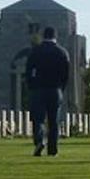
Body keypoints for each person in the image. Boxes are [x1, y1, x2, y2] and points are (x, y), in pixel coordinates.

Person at [25, 26, 70, 158]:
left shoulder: (35, 51)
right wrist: (61, 88)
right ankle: (53, 149)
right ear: (55, 36)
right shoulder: (62, 52)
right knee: (53, 121)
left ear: (44, 36)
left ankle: (39, 141)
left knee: (38, 119)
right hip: (55, 89)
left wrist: (31, 86)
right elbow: (66, 74)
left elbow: (28, 71)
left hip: (38, 89)